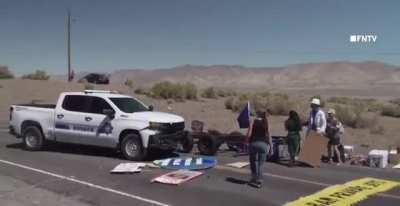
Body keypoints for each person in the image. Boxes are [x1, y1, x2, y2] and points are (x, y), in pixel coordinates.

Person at [246, 110, 273, 188]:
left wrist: (246, 141)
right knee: (260, 164)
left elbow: (249, 133)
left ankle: (253, 178)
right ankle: (259, 181)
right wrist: (271, 147)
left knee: (252, 161)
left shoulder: (253, 122)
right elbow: (269, 135)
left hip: (253, 143)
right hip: (263, 144)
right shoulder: (266, 123)